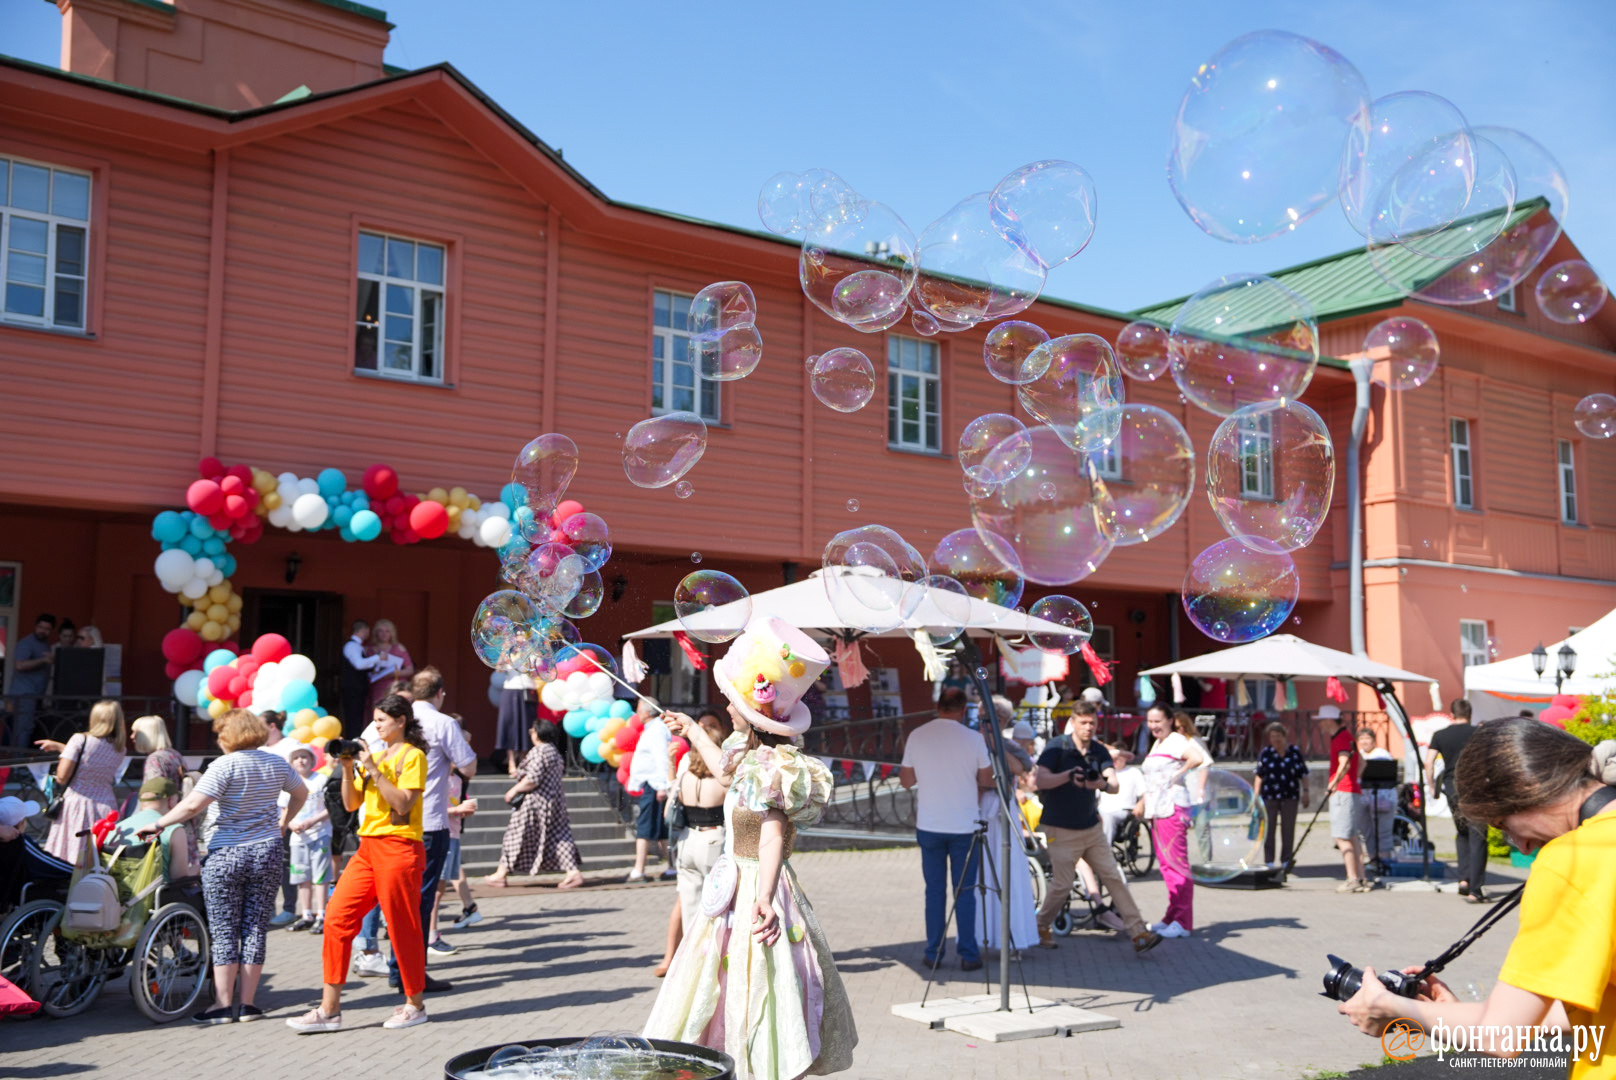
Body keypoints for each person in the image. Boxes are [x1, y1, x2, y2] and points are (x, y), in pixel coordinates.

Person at [1338, 720, 1616, 1076]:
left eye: (1504, 827)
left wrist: (1388, 1007)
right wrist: (1457, 1014)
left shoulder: (1571, 861)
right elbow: (1589, 1005)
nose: (1525, 846)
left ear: (1527, 788)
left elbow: (1502, 1037)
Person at [648, 616, 857, 1078]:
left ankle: (759, 1063)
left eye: (731, 699)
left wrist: (763, 898)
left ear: (751, 708)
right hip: (733, 887)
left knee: (760, 981)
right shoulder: (745, 752)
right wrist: (690, 729)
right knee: (719, 982)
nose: (725, 702)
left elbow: (772, 835)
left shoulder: (778, 766)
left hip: (758, 886)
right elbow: (725, 773)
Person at [136, 707, 306, 1023]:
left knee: (224, 929)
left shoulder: (223, 765)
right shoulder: (275, 762)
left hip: (227, 853)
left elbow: (192, 805)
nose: (218, 740)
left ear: (230, 736)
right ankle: (250, 1005)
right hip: (267, 851)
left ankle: (223, 1005)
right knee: (255, 927)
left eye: (219, 734)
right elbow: (301, 792)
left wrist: (159, 824)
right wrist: (284, 823)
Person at [287, 694, 429, 1033]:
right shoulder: (375, 756)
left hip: (400, 847)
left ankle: (415, 1004)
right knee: (336, 918)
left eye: (381, 720)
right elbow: (351, 805)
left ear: (401, 721)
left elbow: (403, 805)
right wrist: (349, 768)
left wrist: (375, 769)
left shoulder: (414, 756)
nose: (376, 727)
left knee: (401, 926)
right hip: (368, 848)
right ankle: (330, 1010)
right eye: (376, 720)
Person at [357, 667, 475, 993]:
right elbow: (469, 766)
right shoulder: (441, 723)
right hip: (426, 823)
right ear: (440, 694)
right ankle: (410, 975)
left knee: (386, 899)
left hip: (378, 824)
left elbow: (358, 765)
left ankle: (382, 959)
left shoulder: (375, 725)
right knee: (417, 905)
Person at [1034, 701, 1162, 953]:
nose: (1088, 727)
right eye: (1083, 722)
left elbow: (1113, 784)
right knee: (1062, 884)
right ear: (1073, 721)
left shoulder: (1098, 751)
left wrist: (1101, 785)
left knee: (1113, 876)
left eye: (1092, 722)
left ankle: (1138, 933)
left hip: (1090, 828)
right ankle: (1040, 925)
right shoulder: (1057, 747)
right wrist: (1068, 776)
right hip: (1059, 828)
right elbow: (1040, 779)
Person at [899, 687, 993, 971]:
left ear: (937, 706)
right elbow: (988, 779)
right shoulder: (974, 738)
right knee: (965, 891)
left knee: (934, 891)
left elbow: (905, 781)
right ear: (964, 711)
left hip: (930, 823)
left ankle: (934, 951)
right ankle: (968, 953)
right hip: (964, 825)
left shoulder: (918, 735)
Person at [656, 707, 734, 977]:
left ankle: (690, 961)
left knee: (690, 905)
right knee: (717, 905)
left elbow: (669, 806)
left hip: (687, 841)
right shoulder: (723, 779)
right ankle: (712, 957)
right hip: (715, 840)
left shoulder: (685, 772)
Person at [481, 717, 584, 889]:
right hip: (555, 802)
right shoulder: (553, 752)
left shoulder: (539, 752)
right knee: (559, 837)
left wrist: (514, 790)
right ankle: (573, 872)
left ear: (538, 733)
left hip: (535, 803)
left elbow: (533, 779)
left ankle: (501, 873)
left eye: (532, 731)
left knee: (515, 835)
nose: (531, 734)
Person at [975, 696, 1040, 955]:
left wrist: (993, 743)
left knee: (1006, 873)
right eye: (980, 720)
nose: (982, 725)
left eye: (987, 720)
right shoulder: (971, 742)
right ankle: (982, 937)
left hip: (1002, 811)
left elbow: (1022, 767)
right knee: (981, 876)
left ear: (1000, 721)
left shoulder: (1008, 744)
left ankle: (1013, 938)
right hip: (979, 812)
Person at [1140, 704, 1209, 938]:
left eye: (1158, 721)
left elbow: (1197, 757)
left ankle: (1182, 922)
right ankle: (1172, 916)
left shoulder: (1177, 740)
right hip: (1158, 810)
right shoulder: (1159, 743)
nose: (1153, 726)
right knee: (1167, 866)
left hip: (1172, 807)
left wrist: (1179, 774)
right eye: (1150, 721)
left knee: (1177, 866)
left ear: (1170, 720)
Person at [36, 698, 127, 861]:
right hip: (107, 805)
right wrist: (61, 747)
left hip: (79, 803)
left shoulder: (80, 739)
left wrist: (63, 754)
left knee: (72, 855)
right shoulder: (120, 748)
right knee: (99, 858)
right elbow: (93, 758)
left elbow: (63, 777)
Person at [1427, 698, 1491, 903]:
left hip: (1453, 789)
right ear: (1470, 714)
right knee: (1478, 836)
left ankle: (1464, 880)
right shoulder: (1479, 733)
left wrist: (1431, 787)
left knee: (1462, 833)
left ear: (1451, 714)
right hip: (1476, 789)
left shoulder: (1440, 735)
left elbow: (1429, 762)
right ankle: (1476, 889)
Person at [1318, 704, 1370, 893]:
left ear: (1330, 720)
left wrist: (1333, 784)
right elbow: (1362, 762)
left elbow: (1345, 762)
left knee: (1341, 836)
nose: (1321, 725)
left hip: (1343, 792)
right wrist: (1356, 779)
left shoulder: (1340, 738)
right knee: (1352, 836)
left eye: (1322, 721)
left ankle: (1352, 878)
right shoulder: (1346, 737)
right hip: (1352, 790)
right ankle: (1361, 877)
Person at [626, 700, 675, 883]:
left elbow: (661, 757)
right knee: (660, 829)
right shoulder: (653, 729)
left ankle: (639, 870)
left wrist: (663, 786)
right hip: (653, 784)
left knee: (645, 827)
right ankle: (671, 866)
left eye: (639, 710)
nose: (638, 714)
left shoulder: (656, 730)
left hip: (654, 785)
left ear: (648, 712)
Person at [113, 777, 195, 881]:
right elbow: (179, 878)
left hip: (114, 895)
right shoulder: (174, 830)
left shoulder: (116, 829)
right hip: (157, 895)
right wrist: (197, 870)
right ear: (171, 800)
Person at [285, 747, 331, 933]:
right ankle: (306, 914)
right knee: (302, 877)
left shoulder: (321, 780)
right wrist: (290, 824)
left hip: (320, 834)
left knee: (320, 876)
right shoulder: (287, 783)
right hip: (297, 837)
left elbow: (331, 807)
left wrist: (313, 820)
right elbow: (282, 810)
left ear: (312, 760)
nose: (301, 761)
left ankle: (322, 914)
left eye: (304, 757)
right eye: (296, 757)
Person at [1253, 721, 1310, 867]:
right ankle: (1269, 860)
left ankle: (1286, 859)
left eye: (1278, 736)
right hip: (1270, 796)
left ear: (1284, 736)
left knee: (1288, 828)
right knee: (1268, 828)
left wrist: (1306, 792)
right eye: (1272, 736)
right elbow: (1259, 775)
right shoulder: (1266, 753)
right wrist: (1256, 795)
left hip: (1290, 795)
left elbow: (1303, 773)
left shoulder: (1294, 752)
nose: (1275, 739)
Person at [432, 766, 480, 940]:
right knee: (437, 888)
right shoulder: (437, 776)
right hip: (439, 832)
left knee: (441, 887)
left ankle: (431, 934)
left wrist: (463, 809)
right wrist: (456, 810)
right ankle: (431, 936)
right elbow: (428, 809)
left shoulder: (458, 779)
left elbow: (454, 803)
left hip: (453, 833)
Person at [339, 620, 394, 736]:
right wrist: (378, 657)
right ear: (364, 630)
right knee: (353, 718)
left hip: (359, 689)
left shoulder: (360, 646)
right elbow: (359, 664)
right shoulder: (351, 646)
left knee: (358, 718)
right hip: (352, 689)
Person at [9, 614, 55, 748]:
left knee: (29, 729)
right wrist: (43, 660)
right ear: (35, 626)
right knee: (23, 730)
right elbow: (19, 665)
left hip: (35, 696)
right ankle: (17, 764)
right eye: (40, 627)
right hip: (24, 695)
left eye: (47, 629)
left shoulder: (45, 644)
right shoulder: (27, 643)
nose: (43, 631)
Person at [1356, 728, 1397, 869]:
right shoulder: (1358, 755)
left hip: (1383, 798)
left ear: (1373, 740)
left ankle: (1385, 861)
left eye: (1367, 738)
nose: (1364, 741)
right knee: (1366, 830)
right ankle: (1373, 859)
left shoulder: (1382, 754)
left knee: (1383, 831)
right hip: (1363, 798)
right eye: (1361, 739)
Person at [494, 668, 537, 776]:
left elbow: (537, 673)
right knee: (509, 727)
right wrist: (506, 652)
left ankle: (523, 763)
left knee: (526, 727)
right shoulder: (510, 653)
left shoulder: (533, 652)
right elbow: (499, 668)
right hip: (510, 690)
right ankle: (511, 763)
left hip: (528, 690)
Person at [366, 619, 415, 713]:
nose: (384, 634)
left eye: (387, 631)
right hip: (378, 688)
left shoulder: (398, 648)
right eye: (381, 631)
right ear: (376, 633)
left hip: (395, 686)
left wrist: (393, 673)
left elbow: (410, 669)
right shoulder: (369, 650)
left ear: (392, 633)